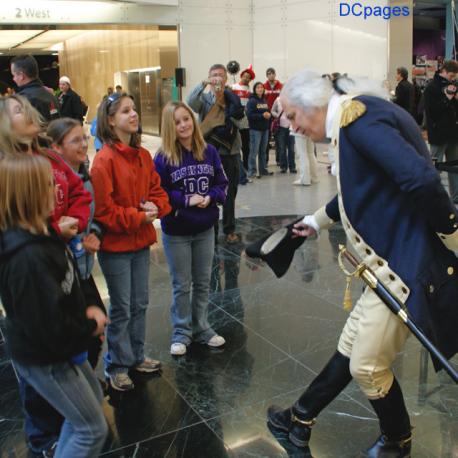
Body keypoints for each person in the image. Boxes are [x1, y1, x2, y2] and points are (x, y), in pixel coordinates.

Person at [266, 69, 458, 457]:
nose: (291, 127)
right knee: (351, 345)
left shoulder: (359, 121)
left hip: (402, 266)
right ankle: (298, 419)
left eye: (290, 116)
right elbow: (361, 191)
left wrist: (452, 234)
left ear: (310, 106)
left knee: (367, 367)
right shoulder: (355, 120)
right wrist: (315, 223)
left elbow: (420, 180)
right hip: (388, 263)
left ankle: (396, 441)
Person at [0, 94, 94, 456]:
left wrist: (72, 223)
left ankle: (69, 423)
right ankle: (43, 437)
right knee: (40, 351)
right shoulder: (9, 167)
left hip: (56, 251)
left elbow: (76, 191)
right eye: (18, 109)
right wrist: (53, 228)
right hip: (31, 263)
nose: (28, 111)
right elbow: (18, 223)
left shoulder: (45, 154)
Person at [91, 92, 171, 391]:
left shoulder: (143, 156)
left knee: (140, 303)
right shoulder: (103, 161)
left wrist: (157, 208)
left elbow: (158, 192)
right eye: (126, 111)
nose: (134, 114)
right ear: (111, 122)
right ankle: (116, 365)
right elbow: (104, 212)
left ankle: (136, 356)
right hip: (115, 248)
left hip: (139, 243)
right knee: (122, 307)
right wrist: (140, 215)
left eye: (134, 109)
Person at [154, 101, 228, 355]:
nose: (183, 125)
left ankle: (202, 327)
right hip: (177, 232)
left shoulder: (209, 151)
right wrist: (185, 200)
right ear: (169, 127)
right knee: (182, 284)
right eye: (177, 122)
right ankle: (182, 331)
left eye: (186, 119)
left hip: (205, 228)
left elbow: (222, 183)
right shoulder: (163, 158)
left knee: (204, 281)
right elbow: (159, 193)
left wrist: (211, 197)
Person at [47, 117, 107, 369]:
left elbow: (96, 216)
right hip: (62, 272)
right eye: (76, 140)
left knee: (97, 328)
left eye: (84, 138)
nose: (84, 144)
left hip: (81, 267)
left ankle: (87, 379)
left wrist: (93, 233)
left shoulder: (84, 176)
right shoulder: (49, 180)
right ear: (56, 148)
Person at [187, 63, 244, 244]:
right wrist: (203, 83)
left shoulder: (233, 99)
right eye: (214, 75)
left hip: (231, 152)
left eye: (221, 75)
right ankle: (212, 229)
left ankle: (229, 229)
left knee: (229, 194)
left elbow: (243, 123)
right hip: (209, 154)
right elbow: (190, 102)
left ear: (226, 79)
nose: (218, 78)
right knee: (209, 193)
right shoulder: (204, 99)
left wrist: (230, 115)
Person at [424, 60, 458, 204]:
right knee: (434, 168)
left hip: (453, 134)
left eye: (454, 76)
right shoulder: (431, 87)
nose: (452, 78)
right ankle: (430, 198)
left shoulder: (454, 86)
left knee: (454, 167)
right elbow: (432, 112)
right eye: (451, 75)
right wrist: (447, 98)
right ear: (443, 71)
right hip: (438, 135)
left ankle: (456, 196)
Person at [10, 54, 60, 123]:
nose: (13, 79)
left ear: (21, 75)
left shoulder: (23, 99)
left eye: (14, 75)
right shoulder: (51, 95)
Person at [232, 65, 255, 175]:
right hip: (234, 122)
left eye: (248, 77)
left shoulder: (251, 91)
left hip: (246, 123)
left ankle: (245, 168)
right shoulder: (233, 87)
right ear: (241, 76)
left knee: (246, 147)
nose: (246, 78)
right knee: (235, 146)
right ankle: (237, 167)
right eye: (244, 76)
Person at [246, 82, 273, 178]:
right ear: (254, 89)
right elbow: (249, 115)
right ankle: (252, 171)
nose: (260, 89)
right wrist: (262, 115)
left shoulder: (264, 101)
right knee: (254, 151)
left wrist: (269, 115)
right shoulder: (252, 101)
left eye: (261, 87)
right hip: (255, 130)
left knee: (263, 151)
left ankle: (263, 170)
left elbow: (268, 112)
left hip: (265, 129)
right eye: (258, 87)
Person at [263, 68, 283, 164]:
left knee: (278, 139)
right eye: (268, 74)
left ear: (275, 75)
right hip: (267, 116)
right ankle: (265, 160)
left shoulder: (281, 86)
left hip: (277, 116)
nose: (271, 75)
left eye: (272, 73)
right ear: (267, 76)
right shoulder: (263, 86)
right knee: (266, 139)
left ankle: (279, 160)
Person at [271, 96, 296, 174]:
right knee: (282, 148)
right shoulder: (278, 99)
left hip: (291, 127)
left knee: (291, 149)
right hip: (281, 127)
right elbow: (272, 111)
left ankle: (292, 167)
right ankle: (283, 167)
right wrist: (277, 115)